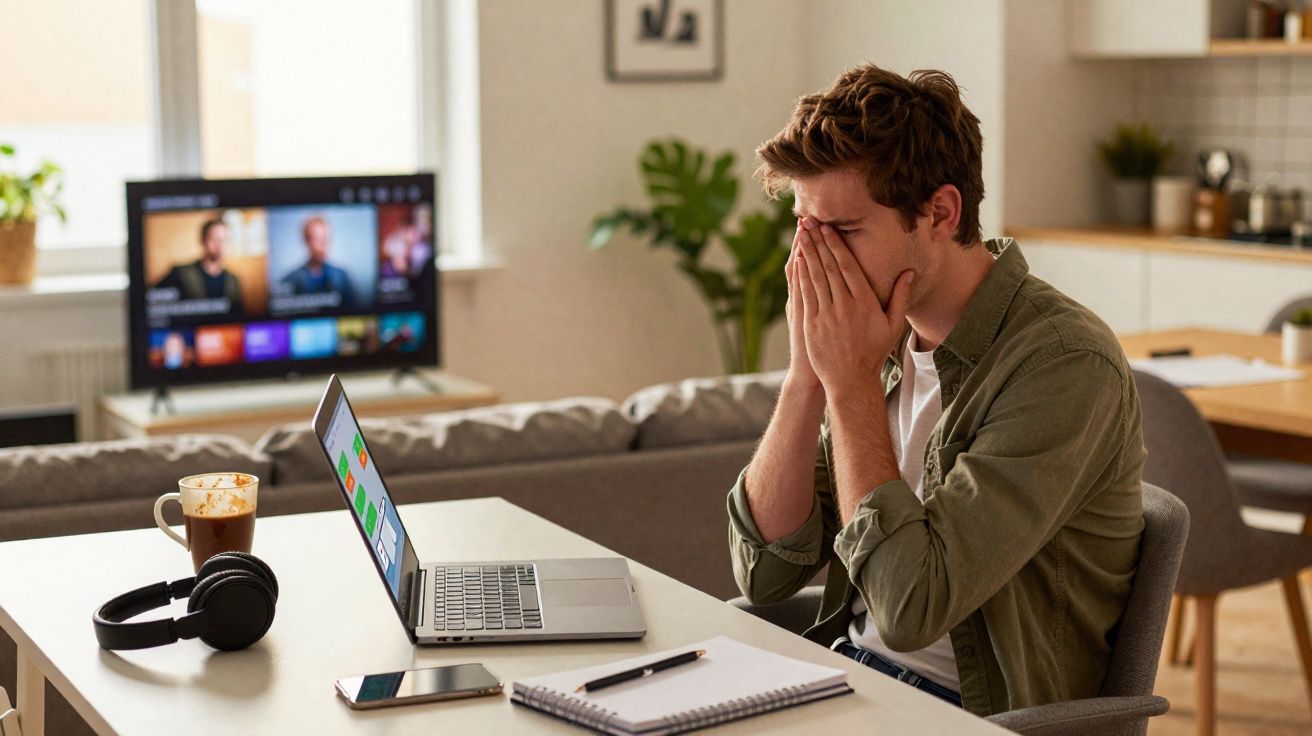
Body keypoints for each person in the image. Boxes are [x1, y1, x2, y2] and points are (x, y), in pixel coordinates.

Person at [727, 64, 1145, 717]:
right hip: (853, 680)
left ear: (940, 213)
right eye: (804, 231)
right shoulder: (874, 337)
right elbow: (765, 570)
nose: (814, 264)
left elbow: (908, 610)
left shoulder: (1063, 365)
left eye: (840, 232)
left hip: (968, 713)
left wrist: (851, 384)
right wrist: (808, 371)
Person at [154, 219, 243, 315]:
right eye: (215, 239)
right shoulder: (181, 274)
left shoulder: (233, 280)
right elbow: (153, 300)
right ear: (203, 241)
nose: (221, 245)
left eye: (225, 240)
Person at [281, 215, 356, 309]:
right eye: (317, 239)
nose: (323, 245)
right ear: (306, 241)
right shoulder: (290, 280)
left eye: (325, 239)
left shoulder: (343, 277)